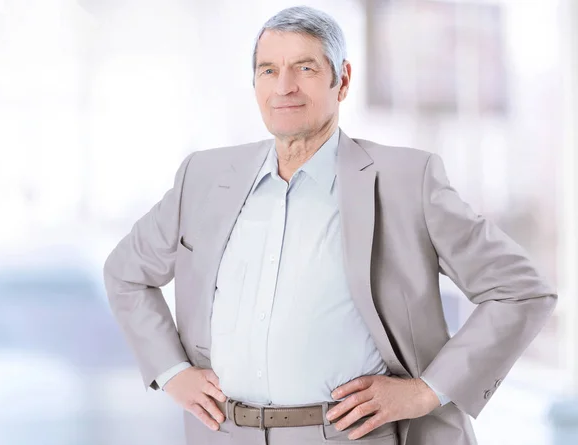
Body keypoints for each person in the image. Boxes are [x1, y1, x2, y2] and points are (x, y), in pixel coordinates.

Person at [103, 6, 557, 445]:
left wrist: (426, 391)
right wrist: (171, 371)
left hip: (351, 436)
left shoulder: (405, 181)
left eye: (305, 68)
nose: (284, 87)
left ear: (342, 80)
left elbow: (520, 290)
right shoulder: (203, 178)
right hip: (224, 433)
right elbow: (125, 273)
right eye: (268, 71)